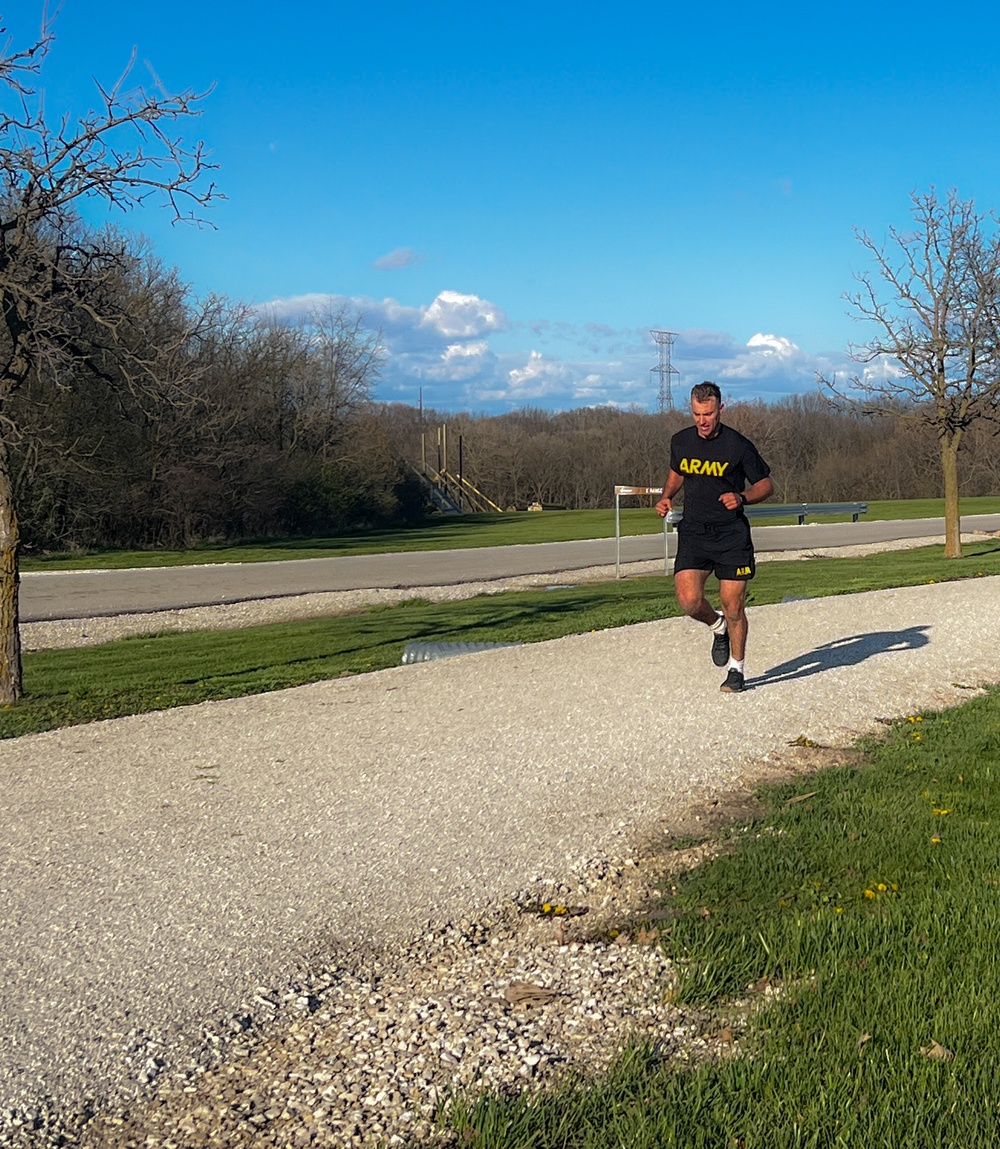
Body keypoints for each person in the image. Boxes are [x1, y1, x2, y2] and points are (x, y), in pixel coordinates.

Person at [655, 382, 774, 693]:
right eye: (696, 414)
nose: (702, 421)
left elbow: (765, 485)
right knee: (688, 600)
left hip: (730, 535)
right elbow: (677, 472)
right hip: (694, 532)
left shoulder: (738, 445)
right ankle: (717, 626)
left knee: (732, 604)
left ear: (720, 409)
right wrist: (667, 496)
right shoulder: (681, 441)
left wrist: (743, 497)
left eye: (708, 414)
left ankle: (737, 669)